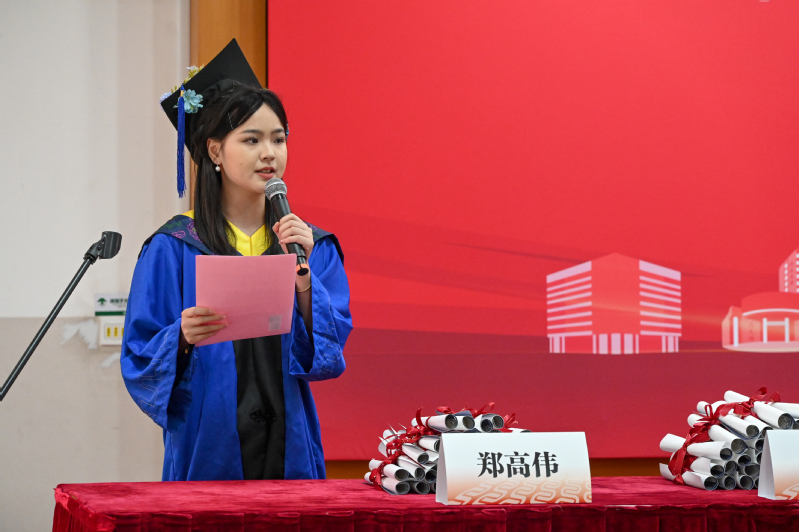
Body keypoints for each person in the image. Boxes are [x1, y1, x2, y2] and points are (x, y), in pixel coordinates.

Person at [120, 40, 351, 481]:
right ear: (214, 152)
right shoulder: (174, 246)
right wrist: (181, 336)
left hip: (290, 440)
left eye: (278, 139)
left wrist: (304, 284)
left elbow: (329, 351)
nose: (270, 153)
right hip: (208, 442)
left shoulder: (308, 245)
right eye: (251, 139)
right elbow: (140, 353)